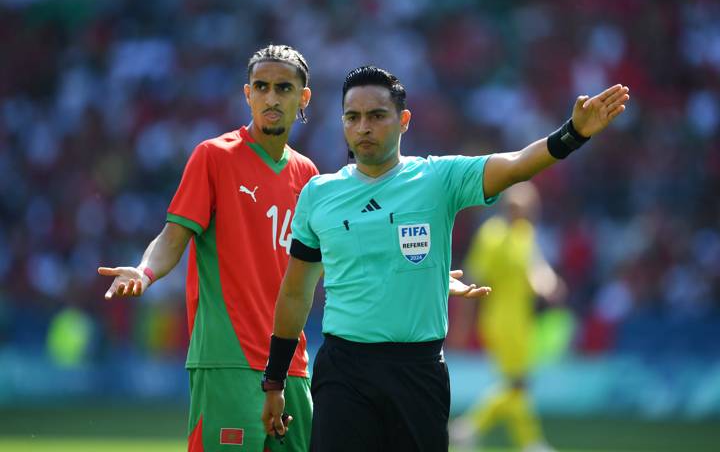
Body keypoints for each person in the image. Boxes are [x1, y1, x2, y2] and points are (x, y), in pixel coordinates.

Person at [261, 65, 629, 451]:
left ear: (403, 121)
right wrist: (274, 379)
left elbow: (518, 163)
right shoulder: (318, 194)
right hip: (343, 369)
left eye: (376, 115)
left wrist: (572, 134)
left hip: (418, 371)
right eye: (353, 117)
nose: (363, 127)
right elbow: (295, 292)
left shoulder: (439, 179)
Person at [97, 44, 319, 452]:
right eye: (262, 87)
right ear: (247, 94)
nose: (272, 98)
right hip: (227, 361)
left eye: (284, 88)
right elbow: (172, 237)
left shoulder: (309, 175)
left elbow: (332, 259)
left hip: (293, 367)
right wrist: (145, 272)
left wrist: (414, 274)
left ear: (303, 98)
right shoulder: (213, 157)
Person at [449, 181, 566, 452]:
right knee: (518, 383)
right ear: (507, 207)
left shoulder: (523, 234)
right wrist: (461, 325)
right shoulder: (492, 236)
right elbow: (473, 279)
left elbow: (536, 269)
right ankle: (529, 443)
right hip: (500, 320)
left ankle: (471, 428)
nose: (523, 213)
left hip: (522, 320)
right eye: (517, 207)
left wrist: (551, 286)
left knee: (515, 385)